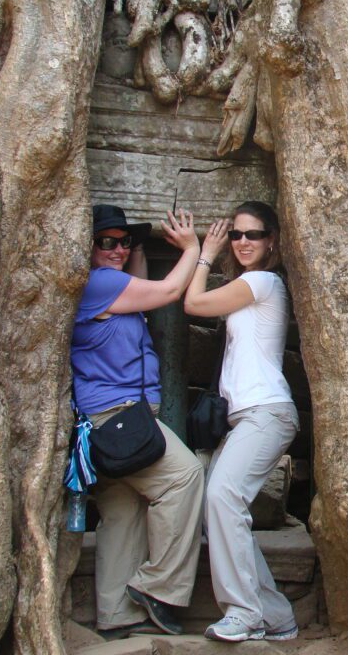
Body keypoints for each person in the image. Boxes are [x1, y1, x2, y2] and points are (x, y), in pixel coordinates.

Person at [71, 204, 205, 638]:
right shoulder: (100, 283)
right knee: (185, 476)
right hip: (119, 418)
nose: (117, 249)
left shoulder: (111, 284)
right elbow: (166, 292)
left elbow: (142, 280)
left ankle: (114, 614)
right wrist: (193, 248)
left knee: (123, 512)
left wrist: (138, 248)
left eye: (123, 241)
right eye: (105, 242)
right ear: (85, 246)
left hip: (100, 423)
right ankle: (159, 586)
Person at [184, 200, 300, 643]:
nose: (243, 242)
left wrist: (204, 253)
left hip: (266, 412)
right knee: (219, 513)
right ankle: (276, 615)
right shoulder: (249, 287)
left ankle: (243, 612)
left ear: (271, 241)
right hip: (249, 417)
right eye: (235, 234)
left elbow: (193, 303)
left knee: (221, 497)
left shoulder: (263, 281)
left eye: (253, 234)